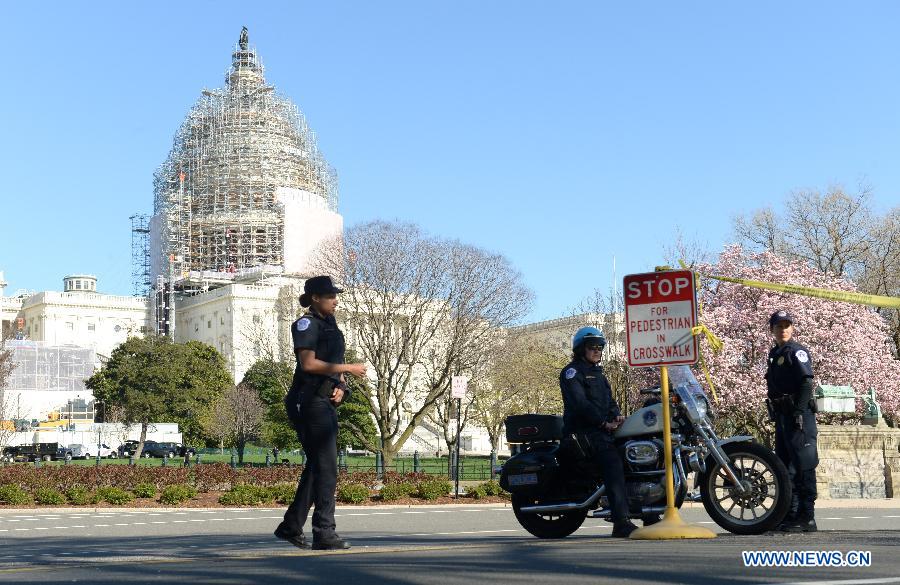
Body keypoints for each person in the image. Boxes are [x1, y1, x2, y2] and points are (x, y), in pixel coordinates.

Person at [274, 275, 366, 550]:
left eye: (335, 295)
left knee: (319, 466)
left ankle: (291, 526)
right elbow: (309, 364)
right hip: (308, 401)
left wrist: (341, 386)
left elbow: (332, 365)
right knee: (326, 468)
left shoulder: (331, 326)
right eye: (330, 296)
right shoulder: (306, 324)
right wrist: (348, 369)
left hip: (324, 400)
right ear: (315, 297)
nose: (335, 300)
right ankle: (324, 532)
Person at [560, 326, 638, 538]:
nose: (597, 351)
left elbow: (609, 401)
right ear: (580, 349)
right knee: (612, 462)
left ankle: (648, 513)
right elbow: (581, 405)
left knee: (633, 454)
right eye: (592, 347)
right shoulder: (571, 373)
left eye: (600, 347)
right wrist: (604, 423)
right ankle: (621, 522)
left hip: (601, 430)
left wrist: (617, 416)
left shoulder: (599, 374)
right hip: (583, 433)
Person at [765, 310, 818, 533]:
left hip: (799, 415)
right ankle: (790, 514)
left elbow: (806, 383)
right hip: (783, 415)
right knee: (785, 465)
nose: (783, 329)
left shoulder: (796, 352)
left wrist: (798, 411)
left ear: (792, 328)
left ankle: (807, 517)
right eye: (779, 326)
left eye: (787, 325)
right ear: (772, 330)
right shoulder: (775, 352)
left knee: (803, 464)